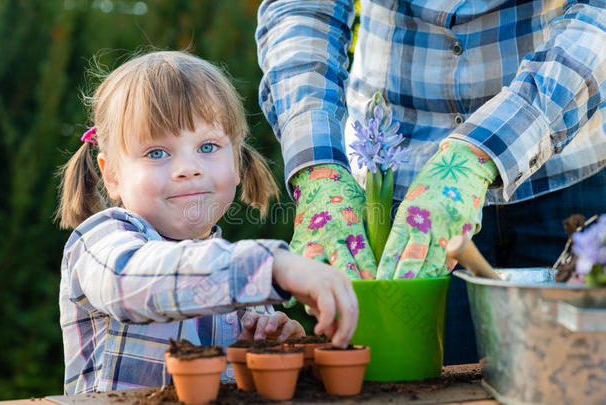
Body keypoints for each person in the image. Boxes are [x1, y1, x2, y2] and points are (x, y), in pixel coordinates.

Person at [256, 1, 605, 364]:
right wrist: (317, 164)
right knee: (415, 375)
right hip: (401, 176)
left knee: (578, 376)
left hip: (566, 158)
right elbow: (302, 9)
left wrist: (477, 155)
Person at [56, 50, 358, 394]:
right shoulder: (100, 241)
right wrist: (271, 265)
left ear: (237, 161)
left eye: (209, 146)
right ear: (112, 175)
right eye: (157, 152)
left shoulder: (238, 271)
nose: (189, 168)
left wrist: (272, 339)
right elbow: (131, 281)